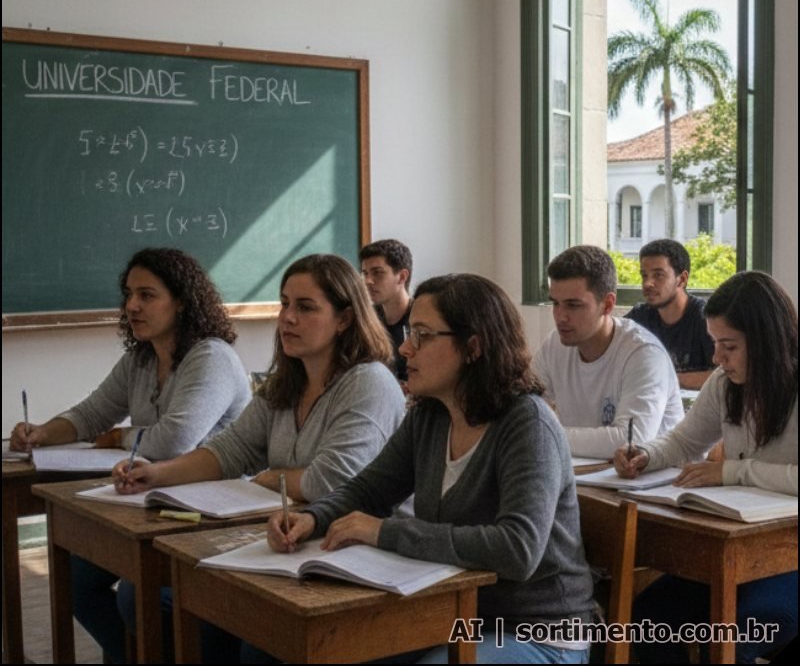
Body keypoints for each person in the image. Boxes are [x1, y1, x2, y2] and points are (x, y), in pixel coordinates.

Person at [266, 274, 595, 664]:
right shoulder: (430, 416)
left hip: (538, 629)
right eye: (408, 333)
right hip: (452, 615)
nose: (404, 348)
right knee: (286, 646)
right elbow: (370, 490)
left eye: (422, 335)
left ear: (472, 346)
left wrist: (386, 532)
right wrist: (311, 518)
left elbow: (517, 550)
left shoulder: (528, 425)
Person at [113, 253, 406, 662]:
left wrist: (271, 477)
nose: (287, 318)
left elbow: (335, 480)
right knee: (143, 594)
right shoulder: (287, 382)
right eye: (285, 303)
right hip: (289, 539)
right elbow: (230, 450)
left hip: (352, 553)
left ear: (343, 318)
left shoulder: (368, 382)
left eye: (305, 307)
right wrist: (157, 474)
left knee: (255, 639)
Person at [11, 246, 251, 665]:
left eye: (146, 295)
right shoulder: (141, 358)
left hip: (213, 509)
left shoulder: (211, 357)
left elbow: (174, 441)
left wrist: (121, 437)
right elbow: (91, 413)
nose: (132, 306)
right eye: (128, 295)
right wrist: (42, 433)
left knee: (135, 596)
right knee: (75, 579)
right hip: (156, 501)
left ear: (181, 301)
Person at [614, 271, 798, 664]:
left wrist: (731, 471)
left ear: (766, 342)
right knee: (647, 619)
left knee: (739, 631)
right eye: (715, 344)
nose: (717, 358)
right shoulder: (725, 384)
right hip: (737, 550)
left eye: (728, 346)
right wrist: (645, 453)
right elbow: (684, 441)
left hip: (791, 556)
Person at [533, 245, 683, 459]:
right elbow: (525, 412)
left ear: (608, 305)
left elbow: (631, 441)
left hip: (654, 485)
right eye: (555, 303)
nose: (560, 316)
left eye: (573, 305)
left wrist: (544, 435)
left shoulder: (643, 353)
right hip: (588, 478)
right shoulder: (554, 345)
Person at [625, 239, 715, 390]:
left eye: (658, 275)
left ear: (683, 279)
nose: (648, 283)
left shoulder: (705, 318)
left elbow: (724, 375)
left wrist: (664, 377)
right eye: (644, 275)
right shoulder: (639, 317)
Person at [360, 238, 413, 384]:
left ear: (402, 276)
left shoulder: (423, 319)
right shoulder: (366, 319)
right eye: (365, 273)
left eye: (377, 273)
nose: (368, 281)